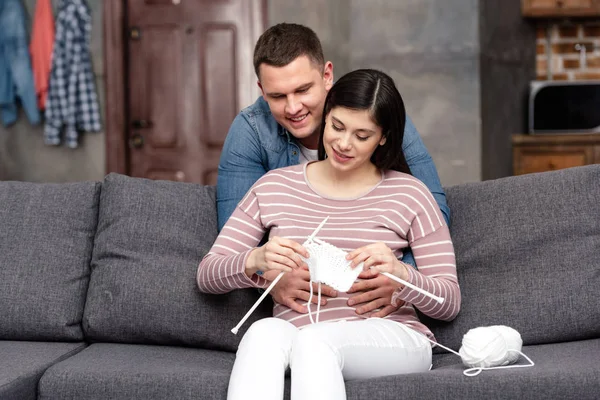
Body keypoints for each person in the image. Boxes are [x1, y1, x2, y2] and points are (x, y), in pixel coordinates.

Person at [199, 69, 461, 400]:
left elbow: (449, 302)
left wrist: (404, 277)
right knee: (261, 331)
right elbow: (208, 274)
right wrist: (254, 260)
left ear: (383, 136)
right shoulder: (274, 186)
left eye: (362, 135)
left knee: (315, 340)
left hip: (394, 336)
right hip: (299, 335)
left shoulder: (410, 193)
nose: (343, 143)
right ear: (327, 115)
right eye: (337, 126)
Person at [217, 23, 450, 320]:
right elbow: (234, 237)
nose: (293, 108)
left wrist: (400, 282)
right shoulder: (250, 131)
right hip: (300, 312)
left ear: (327, 75)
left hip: (376, 313)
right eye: (277, 96)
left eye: (303, 90)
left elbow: (433, 213)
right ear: (262, 90)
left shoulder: (377, 115)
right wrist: (270, 276)